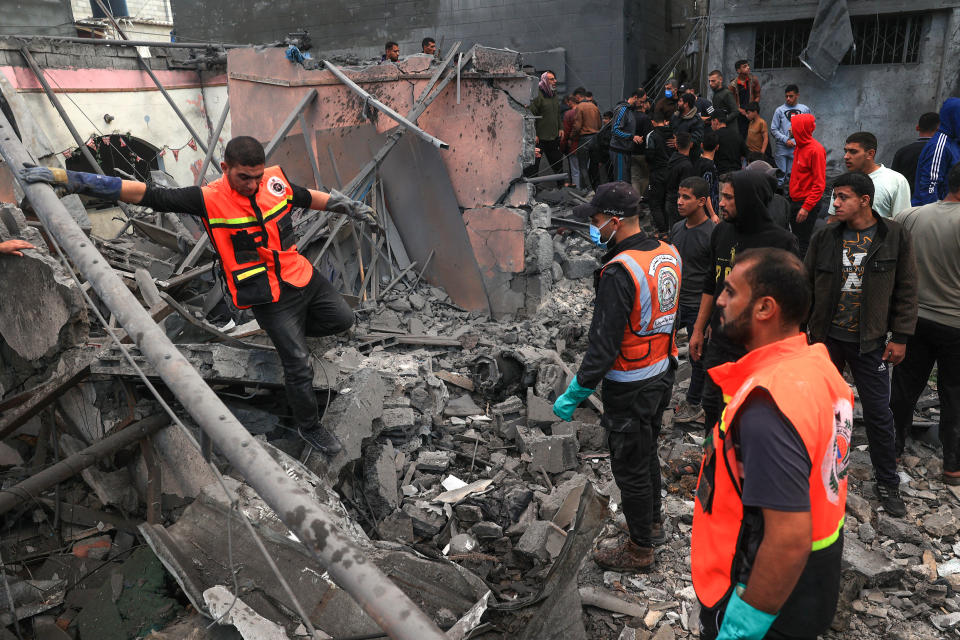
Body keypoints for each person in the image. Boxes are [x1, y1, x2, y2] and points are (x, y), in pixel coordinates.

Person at [20, 137, 378, 455]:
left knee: (342, 319)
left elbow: (305, 196)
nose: (252, 185)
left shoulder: (274, 181)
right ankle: (309, 425)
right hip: (267, 294)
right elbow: (144, 193)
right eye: (243, 177)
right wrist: (70, 179)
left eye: (256, 176)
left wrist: (346, 205)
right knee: (297, 364)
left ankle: (292, 337)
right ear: (226, 168)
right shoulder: (208, 198)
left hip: (300, 275)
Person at [692, 248, 851, 640]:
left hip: (764, 594)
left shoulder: (768, 405)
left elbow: (787, 539)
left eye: (730, 292)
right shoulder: (817, 366)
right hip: (813, 579)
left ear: (765, 308)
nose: (721, 302)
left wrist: (742, 629)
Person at [552, 182, 680, 572]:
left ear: (614, 220)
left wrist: (576, 392)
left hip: (631, 383)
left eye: (595, 220)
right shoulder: (666, 252)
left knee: (629, 467)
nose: (593, 227)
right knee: (647, 451)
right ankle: (652, 523)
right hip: (662, 371)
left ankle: (640, 549)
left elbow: (603, 346)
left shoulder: (619, 271)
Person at [805, 171, 917, 518]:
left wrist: (899, 337)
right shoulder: (825, 236)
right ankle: (811, 475)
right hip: (826, 340)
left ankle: (887, 481)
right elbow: (805, 284)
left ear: (865, 200)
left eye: (842, 197)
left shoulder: (893, 235)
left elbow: (907, 288)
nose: (835, 204)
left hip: (869, 342)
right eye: (834, 197)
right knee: (818, 410)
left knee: (879, 413)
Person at [688, 171, 798, 436]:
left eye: (728, 197)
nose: (721, 203)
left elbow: (793, 305)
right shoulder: (721, 232)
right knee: (713, 407)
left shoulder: (780, 242)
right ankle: (714, 464)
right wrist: (699, 329)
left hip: (759, 349)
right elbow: (711, 283)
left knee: (750, 414)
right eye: (720, 196)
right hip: (720, 341)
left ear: (750, 200)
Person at [892, 163, 960, 478]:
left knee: (905, 388)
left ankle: (891, 450)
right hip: (955, 324)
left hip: (913, 319)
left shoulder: (911, 216)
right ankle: (952, 466)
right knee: (954, 394)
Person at [670, 177, 715, 423]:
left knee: (699, 357)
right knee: (663, 349)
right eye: (679, 196)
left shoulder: (713, 234)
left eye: (686, 197)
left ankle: (694, 403)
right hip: (674, 304)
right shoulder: (677, 228)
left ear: (701, 202)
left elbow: (716, 278)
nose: (680, 201)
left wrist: (709, 319)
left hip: (700, 305)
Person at [828, 132, 911, 218]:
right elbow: (833, 219)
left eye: (853, 152)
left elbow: (902, 221)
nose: (846, 156)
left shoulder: (896, 180)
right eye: (846, 151)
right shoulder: (843, 182)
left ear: (870, 154)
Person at [787, 113, 824, 257]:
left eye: (792, 126)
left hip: (805, 204)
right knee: (794, 240)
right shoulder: (799, 147)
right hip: (796, 201)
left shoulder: (816, 150)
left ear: (800, 128)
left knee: (802, 243)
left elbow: (819, 184)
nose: (789, 129)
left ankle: (801, 275)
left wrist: (806, 207)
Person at [913, 97, 960, 206]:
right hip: (935, 214)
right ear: (954, 118)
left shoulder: (954, 142)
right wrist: (936, 215)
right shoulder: (940, 145)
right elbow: (929, 185)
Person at [770, 85, 811, 189]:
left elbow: (809, 127)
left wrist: (801, 142)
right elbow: (773, 129)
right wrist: (785, 140)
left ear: (797, 95)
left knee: (792, 175)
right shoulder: (779, 110)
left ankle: (789, 198)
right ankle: (777, 197)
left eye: (791, 96)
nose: (788, 98)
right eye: (786, 96)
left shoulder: (804, 109)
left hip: (796, 148)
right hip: (782, 148)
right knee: (780, 175)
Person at [527, 71, 564, 183]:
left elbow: (557, 113)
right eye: (552, 79)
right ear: (545, 81)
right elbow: (531, 115)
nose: (555, 81)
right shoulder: (537, 95)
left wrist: (561, 128)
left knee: (558, 164)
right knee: (534, 167)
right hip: (539, 138)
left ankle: (561, 187)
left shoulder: (554, 94)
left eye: (554, 79)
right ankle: (533, 191)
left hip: (553, 137)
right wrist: (534, 134)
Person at [892, 112, 939, 197]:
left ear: (917, 128)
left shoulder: (902, 152)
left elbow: (893, 182)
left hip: (906, 203)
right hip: (933, 203)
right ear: (939, 129)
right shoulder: (943, 152)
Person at [645, 110, 673, 233]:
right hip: (672, 172)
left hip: (657, 173)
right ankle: (669, 229)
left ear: (653, 122)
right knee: (667, 202)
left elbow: (649, 155)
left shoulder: (652, 135)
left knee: (655, 203)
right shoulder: (673, 133)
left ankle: (662, 231)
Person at [610, 89, 645, 183]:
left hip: (626, 150)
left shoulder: (630, 110)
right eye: (641, 101)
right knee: (621, 181)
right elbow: (615, 130)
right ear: (635, 97)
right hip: (619, 150)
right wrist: (632, 137)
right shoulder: (623, 109)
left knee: (625, 180)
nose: (642, 104)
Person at [664, 132, 696, 231]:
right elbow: (685, 189)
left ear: (676, 145)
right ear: (691, 144)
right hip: (679, 203)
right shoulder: (686, 165)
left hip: (670, 199)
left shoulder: (672, 159)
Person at [745, 160, 790, 230]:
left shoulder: (782, 202)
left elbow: (788, 230)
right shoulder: (742, 203)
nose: (774, 180)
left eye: (774, 176)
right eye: (769, 177)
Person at [573, 90, 604, 191]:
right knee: (594, 166)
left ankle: (587, 189)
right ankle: (596, 188)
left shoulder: (580, 107)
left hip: (584, 139)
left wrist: (572, 137)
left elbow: (577, 126)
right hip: (595, 138)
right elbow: (600, 124)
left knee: (582, 166)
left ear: (578, 96)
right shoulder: (594, 106)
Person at [729, 59, 761, 139]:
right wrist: (741, 111)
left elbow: (758, 95)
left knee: (754, 135)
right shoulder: (733, 85)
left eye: (748, 65)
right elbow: (731, 102)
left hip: (752, 113)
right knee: (741, 137)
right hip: (739, 115)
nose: (748, 67)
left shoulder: (753, 80)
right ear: (738, 70)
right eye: (745, 66)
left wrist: (754, 107)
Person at [710, 108, 747, 175]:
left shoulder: (713, 136)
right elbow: (746, 154)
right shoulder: (737, 135)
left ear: (716, 121)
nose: (711, 124)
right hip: (737, 175)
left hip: (721, 175)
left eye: (711, 121)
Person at [696, 131, 721, 222]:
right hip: (708, 212)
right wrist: (713, 214)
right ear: (717, 147)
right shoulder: (709, 166)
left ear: (701, 145)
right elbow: (706, 192)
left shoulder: (699, 162)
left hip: (699, 209)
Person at [561, 94, 581, 187]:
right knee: (585, 168)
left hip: (574, 144)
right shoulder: (583, 110)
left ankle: (577, 189)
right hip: (585, 143)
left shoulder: (569, 113)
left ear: (570, 102)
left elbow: (567, 131)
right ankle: (588, 189)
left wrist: (563, 145)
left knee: (575, 170)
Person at [598, 110, 614, 182]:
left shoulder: (610, 129)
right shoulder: (605, 128)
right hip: (605, 156)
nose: (604, 120)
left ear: (611, 119)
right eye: (603, 118)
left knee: (609, 175)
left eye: (606, 119)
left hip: (608, 156)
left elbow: (605, 143)